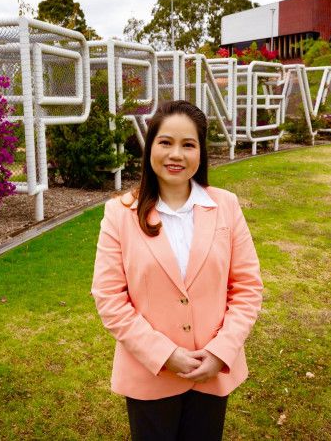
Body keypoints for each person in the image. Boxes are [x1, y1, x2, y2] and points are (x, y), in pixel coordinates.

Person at [92, 100, 263, 441]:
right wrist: (165, 354)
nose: (176, 154)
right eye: (166, 142)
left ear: (200, 153)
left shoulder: (225, 206)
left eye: (188, 145)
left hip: (210, 374)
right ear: (150, 146)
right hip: (149, 374)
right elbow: (109, 298)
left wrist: (220, 352)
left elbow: (247, 287)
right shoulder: (119, 213)